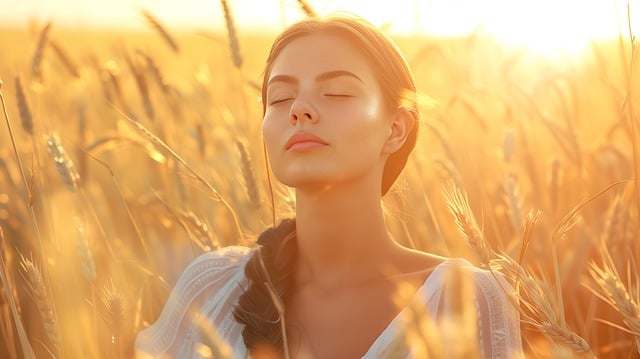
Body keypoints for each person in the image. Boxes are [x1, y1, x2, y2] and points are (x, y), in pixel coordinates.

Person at [135, 15, 523, 358]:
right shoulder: (212, 287)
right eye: (280, 97)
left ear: (395, 128)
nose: (298, 109)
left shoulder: (464, 298)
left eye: (336, 92)